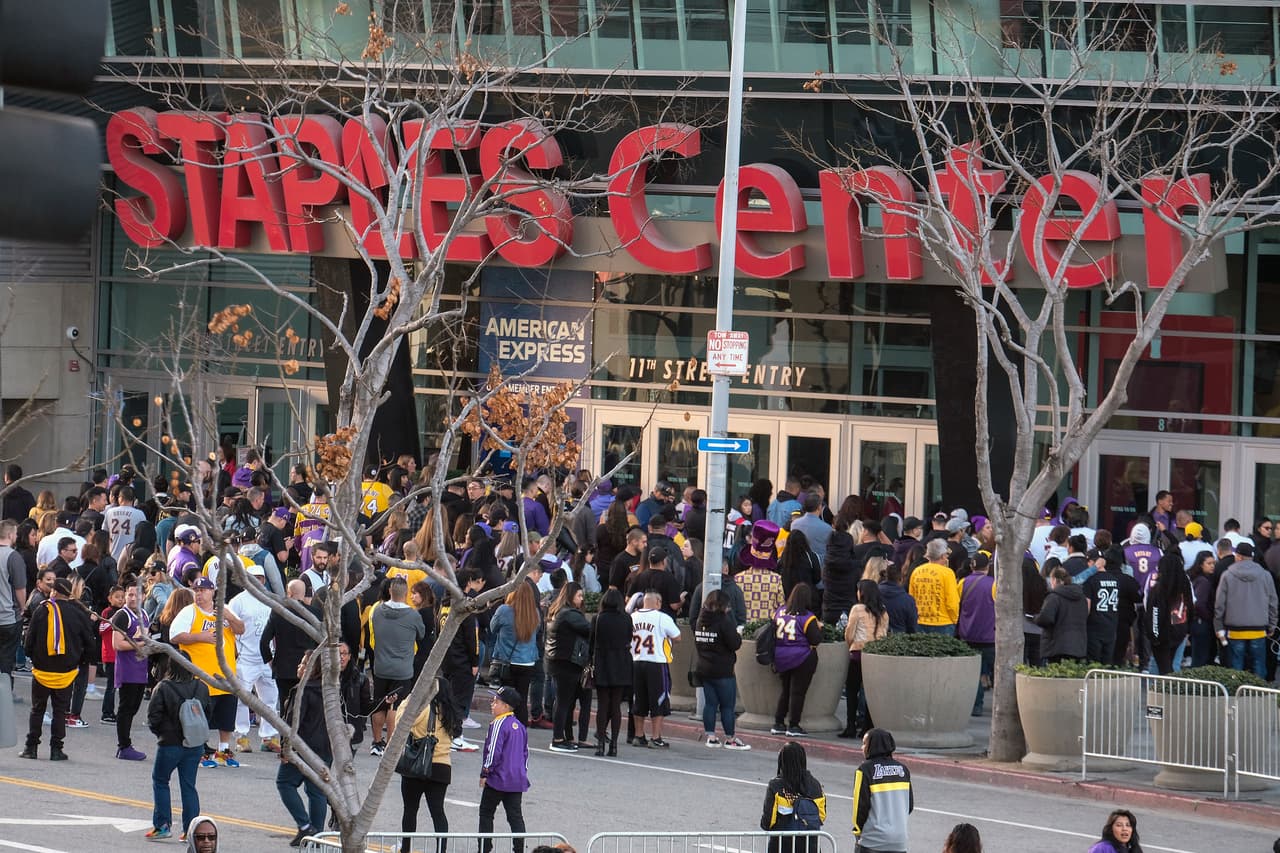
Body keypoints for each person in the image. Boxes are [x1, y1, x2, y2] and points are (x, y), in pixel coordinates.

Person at [169, 575, 246, 767]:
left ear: (213, 592)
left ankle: (223, 750)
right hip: (201, 676)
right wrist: (199, 637)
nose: (199, 594)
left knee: (226, 716)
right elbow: (174, 636)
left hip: (226, 675)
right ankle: (200, 750)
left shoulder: (224, 610)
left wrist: (228, 617)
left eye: (203, 590)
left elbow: (241, 629)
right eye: (196, 590)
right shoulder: (190, 612)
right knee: (200, 716)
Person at [20, 576, 95, 761]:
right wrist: (80, 661)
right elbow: (89, 644)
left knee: (37, 709)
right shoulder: (78, 613)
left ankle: (31, 748)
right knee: (60, 711)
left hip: (42, 669)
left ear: (54, 591)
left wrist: (34, 657)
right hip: (66, 671)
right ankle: (56, 749)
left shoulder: (41, 610)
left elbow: (29, 641)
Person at [146, 652, 213, 840]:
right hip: (194, 743)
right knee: (188, 785)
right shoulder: (201, 686)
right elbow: (208, 713)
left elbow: (153, 717)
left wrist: (162, 734)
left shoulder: (164, 687)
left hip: (170, 743)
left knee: (160, 781)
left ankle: (162, 825)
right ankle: (191, 829)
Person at [276, 652, 331, 847]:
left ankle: (306, 825)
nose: (299, 666)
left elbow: (292, 722)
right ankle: (317, 835)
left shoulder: (302, 690)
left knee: (284, 783)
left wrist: (285, 748)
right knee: (317, 792)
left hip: (303, 748)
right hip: (325, 747)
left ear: (313, 668)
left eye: (303, 663)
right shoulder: (329, 690)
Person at [399, 677, 459, 853]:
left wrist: (409, 699)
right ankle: (442, 849)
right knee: (438, 812)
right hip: (442, 767)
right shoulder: (450, 712)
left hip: (417, 765)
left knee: (410, 810)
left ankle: (406, 848)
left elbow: (402, 721)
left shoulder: (423, 708)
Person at [368, 575, 427, 756]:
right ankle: (392, 745)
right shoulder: (412, 615)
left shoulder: (377, 611)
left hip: (380, 666)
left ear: (390, 591)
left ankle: (377, 742)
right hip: (402, 669)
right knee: (396, 706)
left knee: (379, 705)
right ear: (406, 593)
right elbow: (422, 635)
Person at [694, 589, 749, 750]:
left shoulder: (700, 620)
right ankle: (730, 738)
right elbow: (735, 643)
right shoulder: (724, 622)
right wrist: (738, 633)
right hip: (723, 669)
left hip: (704, 667)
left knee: (710, 704)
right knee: (727, 706)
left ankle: (711, 736)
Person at [1214, 541, 1278, 678]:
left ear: (1238, 556)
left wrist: (1218, 626)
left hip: (1235, 630)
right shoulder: (1265, 575)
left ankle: (1237, 695)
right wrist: (1272, 625)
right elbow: (1273, 602)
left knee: (1236, 667)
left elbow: (1219, 604)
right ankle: (1259, 695)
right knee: (1259, 665)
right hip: (1259, 629)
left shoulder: (1227, 575)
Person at [478, 686, 529, 853]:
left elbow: (493, 751)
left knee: (486, 813)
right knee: (515, 817)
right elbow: (525, 754)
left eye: (496, 702)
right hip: (517, 780)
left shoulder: (499, 724)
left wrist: (485, 772)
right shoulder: (520, 726)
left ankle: (485, 848)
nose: (492, 704)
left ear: (506, 706)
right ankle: (519, 849)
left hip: (498, 779)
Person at [770, 583, 823, 738]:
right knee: (797, 693)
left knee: (785, 690)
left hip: (781, 657)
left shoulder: (779, 612)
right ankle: (793, 725)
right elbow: (815, 640)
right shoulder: (808, 617)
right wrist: (821, 629)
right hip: (802, 658)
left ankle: (778, 722)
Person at [629, 589, 681, 748]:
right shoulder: (662, 617)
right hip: (656, 663)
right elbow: (677, 636)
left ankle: (638, 735)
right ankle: (656, 737)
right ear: (658, 602)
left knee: (638, 698)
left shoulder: (632, 617)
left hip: (636, 661)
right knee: (659, 700)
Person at [545, 581, 591, 752]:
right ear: (571, 595)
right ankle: (558, 739)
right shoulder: (569, 613)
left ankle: (563, 737)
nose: (581, 599)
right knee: (563, 702)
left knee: (563, 701)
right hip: (565, 663)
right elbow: (590, 629)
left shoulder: (557, 611)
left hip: (557, 661)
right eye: (579, 595)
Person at [852, 728, 913, 853]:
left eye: (864, 743)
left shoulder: (864, 770)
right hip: (899, 841)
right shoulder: (903, 770)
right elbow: (910, 806)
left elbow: (860, 807)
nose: (862, 747)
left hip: (872, 842)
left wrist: (857, 832)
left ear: (872, 745)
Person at [489, 581, 541, 724]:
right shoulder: (535, 613)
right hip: (527, 662)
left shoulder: (504, 610)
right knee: (522, 700)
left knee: (505, 700)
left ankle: (504, 730)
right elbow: (537, 632)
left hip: (507, 662)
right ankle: (520, 734)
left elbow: (492, 628)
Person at [842, 580, 888, 739]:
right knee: (869, 692)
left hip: (857, 654)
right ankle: (867, 727)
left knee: (852, 691)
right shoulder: (882, 611)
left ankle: (850, 726)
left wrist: (851, 645)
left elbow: (850, 632)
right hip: (875, 656)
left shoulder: (857, 609)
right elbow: (884, 635)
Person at [760, 741, 826, 853]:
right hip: (810, 845)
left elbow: (768, 821)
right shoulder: (815, 785)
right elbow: (821, 816)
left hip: (782, 845)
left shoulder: (776, 786)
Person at [109, 583, 151, 761]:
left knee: (133, 708)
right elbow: (117, 644)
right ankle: (124, 746)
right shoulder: (121, 616)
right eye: (130, 594)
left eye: (136, 595)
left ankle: (125, 744)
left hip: (141, 669)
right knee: (126, 709)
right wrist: (142, 643)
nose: (133, 598)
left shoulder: (144, 614)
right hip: (127, 670)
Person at [590, 587, 633, 756]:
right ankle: (614, 745)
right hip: (622, 663)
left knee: (602, 705)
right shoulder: (627, 619)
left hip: (602, 661)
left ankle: (600, 743)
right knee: (616, 706)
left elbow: (591, 642)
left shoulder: (598, 618)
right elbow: (629, 638)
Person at [1144, 552, 1193, 674]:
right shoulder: (1185, 587)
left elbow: (1155, 615)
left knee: (1164, 668)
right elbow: (1190, 608)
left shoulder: (1159, 590)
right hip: (1180, 631)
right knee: (1171, 666)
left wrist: (1154, 637)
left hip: (1163, 636)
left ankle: (1160, 691)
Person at [1035, 567, 1088, 662]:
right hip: (1078, 645)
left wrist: (1036, 618)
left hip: (1056, 646)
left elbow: (1046, 618)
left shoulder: (1054, 597)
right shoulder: (1082, 598)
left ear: (1055, 580)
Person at [908, 539, 959, 635]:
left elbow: (912, 598)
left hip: (920, 621)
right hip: (943, 622)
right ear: (943, 555)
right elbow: (952, 602)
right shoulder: (947, 573)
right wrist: (954, 620)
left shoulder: (916, 571)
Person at [0, 519, 28, 690]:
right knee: (6, 661)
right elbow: (20, 588)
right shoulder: (13, 556)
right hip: (7, 616)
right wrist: (23, 607)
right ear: (10, 535)